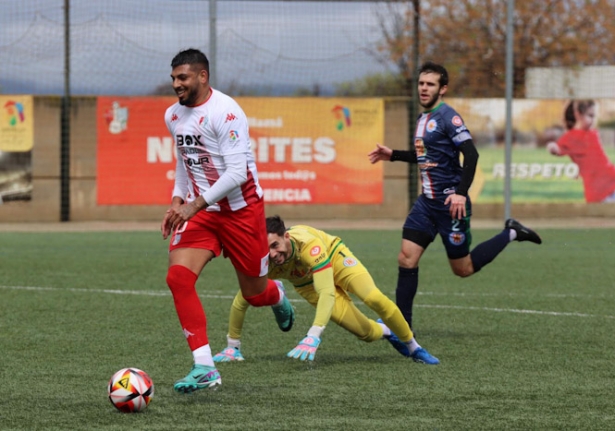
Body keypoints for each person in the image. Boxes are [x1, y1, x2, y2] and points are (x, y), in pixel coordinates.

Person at [367, 61, 542, 329]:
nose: (424, 89)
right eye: (421, 83)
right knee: (406, 258)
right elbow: (425, 156)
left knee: (463, 269)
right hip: (426, 204)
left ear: (443, 89)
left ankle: (512, 232)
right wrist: (394, 155)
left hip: (451, 206)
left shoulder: (449, 117)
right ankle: (402, 326)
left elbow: (471, 153)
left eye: (430, 84)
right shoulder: (422, 118)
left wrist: (461, 193)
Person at [160, 48, 295, 394]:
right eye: (174, 78)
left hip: (241, 212)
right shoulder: (173, 115)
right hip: (202, 213)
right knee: (178, 278)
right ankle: (204, 366)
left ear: (202, 77)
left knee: (254, 294)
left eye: (183, 78)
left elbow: (236, 172)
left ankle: (276, 295)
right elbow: (184, 161)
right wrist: (178, 200)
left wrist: (192, 205)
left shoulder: (227, 112)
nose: (176, 84)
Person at [212, 215, 440, 365]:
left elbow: (327, 292)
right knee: (366, 334)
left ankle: (414, 347)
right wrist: (233, 345)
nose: (272, 254)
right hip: (306, 285)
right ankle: (388, 331)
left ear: (286, 237)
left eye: (275, 245)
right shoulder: (263, 262)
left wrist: (313, 334)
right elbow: (243, 299)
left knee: (373, 297)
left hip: (335, 259)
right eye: (266, 249)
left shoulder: (308, 245)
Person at [546, 100, 615, 203]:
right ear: (578, 115)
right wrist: (553, 147)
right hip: (599, 190)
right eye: (590, 116)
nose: (594, 120)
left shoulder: (592, 133)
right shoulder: (571, 137)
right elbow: (558, 149)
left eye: (595, 116)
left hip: (611, 179)